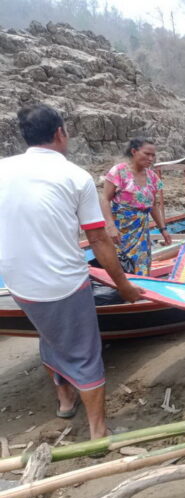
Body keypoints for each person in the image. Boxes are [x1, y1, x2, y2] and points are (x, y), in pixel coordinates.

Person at [0, 104, 144, 440]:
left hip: (18, 283)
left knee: (51, 337)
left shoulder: (3, 168)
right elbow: (97, 238)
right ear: (60, 133)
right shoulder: (74, 176)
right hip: (62, 283)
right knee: (85, 354)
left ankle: (65, 402)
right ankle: (99, 431)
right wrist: (122, 286)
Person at [100, 138, 172, 276]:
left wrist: (163, 229)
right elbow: (105, 199)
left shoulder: (153, 177)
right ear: (134, 151)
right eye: (147, 154)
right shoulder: (119, 171)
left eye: (153, 155)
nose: (151, 158)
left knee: (142, 266)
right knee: (119, 265)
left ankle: (139, 294)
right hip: (120, 230)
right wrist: (110, 226)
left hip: (141, 233)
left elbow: (153, 205)